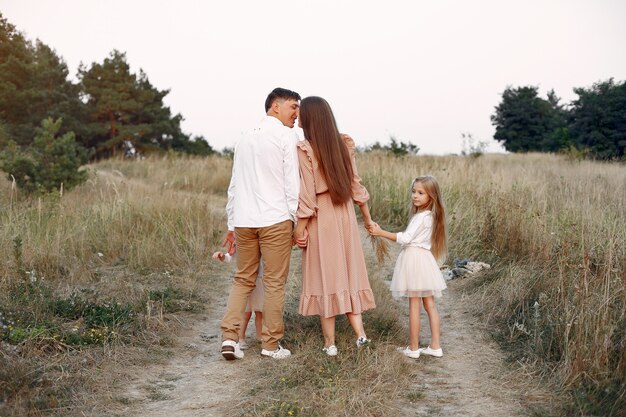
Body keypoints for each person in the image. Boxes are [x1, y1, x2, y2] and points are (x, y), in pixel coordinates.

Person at [219, 87, 301, 360]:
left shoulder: (244, 139)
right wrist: (294, 219)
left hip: (244, 220)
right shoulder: (285, 136)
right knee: (275, 283)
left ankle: (230, 339)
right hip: (274, 218)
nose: (297, 114)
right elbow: (292, 182)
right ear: (275, 106)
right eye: (293, 107)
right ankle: (270, 345)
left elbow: (234, 184)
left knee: (243, 279)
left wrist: (232, 223)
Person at [293, 96, 376, 357]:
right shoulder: (343, 144)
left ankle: (330, 343)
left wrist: (299, 230)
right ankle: (360, 335)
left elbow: (307, 195)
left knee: (324, 275)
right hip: (345, 213)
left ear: (308, 119)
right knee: (349, 271)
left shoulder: (305, 149)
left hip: (322, 215)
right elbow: (356, 185)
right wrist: (367, 217)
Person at [368, 175, 448, 359]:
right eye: (414, 191)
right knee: (430, 304)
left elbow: (405, 239)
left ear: (432, 196)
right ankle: (435, 346)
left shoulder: (421, 217)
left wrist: (381, 232)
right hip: (425, 260)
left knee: (414, 305)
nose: (415, 196)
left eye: (421, 193)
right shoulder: (431, 215)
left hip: (414, 260)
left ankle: (413, 349)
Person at [212, 251, 263, 349]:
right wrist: (222, 256)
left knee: (260, 311)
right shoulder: (242, 242)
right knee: (246, 313)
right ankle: (240, 338)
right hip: (245, 281)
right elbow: (229, 257)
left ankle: (260, 337)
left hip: (261, 281)